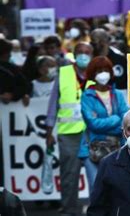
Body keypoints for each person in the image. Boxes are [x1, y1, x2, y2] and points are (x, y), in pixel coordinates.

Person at [45, 42, 92, 215]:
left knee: (97, 175)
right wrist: (49, 131)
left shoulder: (97, 73)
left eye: (87, 52)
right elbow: (53, 104)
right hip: (69, 135)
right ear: (74, 54)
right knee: (69, 176)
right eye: (80, 52)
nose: (83, 55)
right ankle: (69, 210)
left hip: (93, 134)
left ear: (92, 55)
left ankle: (98, 210)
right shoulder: (63, 73)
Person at [78, 56, 129, 188]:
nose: (103, 73)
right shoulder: (87, 96)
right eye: (99, 70)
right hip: (92, 151)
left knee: (115, 190)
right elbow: (93, 124)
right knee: (96, 190)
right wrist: (116, 119)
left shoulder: (117, 94)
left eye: (105, 70)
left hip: (116, 150)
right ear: (92, 73)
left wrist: (112, 123)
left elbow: (125, 122)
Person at [0, 38, 32, 106]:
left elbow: (25, 86)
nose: (10, 55)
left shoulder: (11, 69)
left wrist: (13, 95)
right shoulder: (9, 69)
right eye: (8, 52)